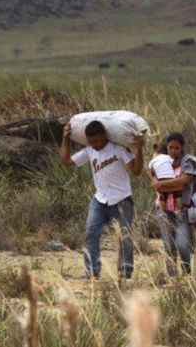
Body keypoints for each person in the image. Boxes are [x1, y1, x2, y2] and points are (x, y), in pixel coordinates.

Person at [61, 120, 144, 280]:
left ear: (104, 135)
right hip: (100, 199)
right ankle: (92, 272)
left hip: (122, 199)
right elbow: (66, 161)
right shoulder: (89, 150)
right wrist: (65, 138)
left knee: (125, 238)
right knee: (91, 233)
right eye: (91, 141)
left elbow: (136, 170)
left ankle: (125, 273)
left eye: (97, 140)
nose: (94, 144)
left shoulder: (119, 149)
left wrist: (139, 146)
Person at [150, 132, 196, 277]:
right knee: (169, 245)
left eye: (177, 148)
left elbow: (184, 181)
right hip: (163, 208)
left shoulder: (187, 162)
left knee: (182, 244)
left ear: (182, 148)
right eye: (171, 147)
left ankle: (186, 271)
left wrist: (163, 184)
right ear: (167, 146)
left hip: (182, 210)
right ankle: (173, 278)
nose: (173, 151)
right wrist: (163, 185)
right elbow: (153, 180)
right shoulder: (161, 160)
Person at [148, 143, 179, 212]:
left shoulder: (152, 161)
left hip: (161, 183)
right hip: (172, 180)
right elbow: (175, 164)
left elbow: (151, 173)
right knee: (176, 194)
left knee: (162, 196)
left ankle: (164, 210)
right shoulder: (169, 158)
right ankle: (178, 210)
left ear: (157, 152)